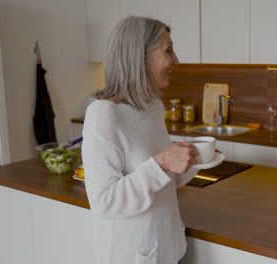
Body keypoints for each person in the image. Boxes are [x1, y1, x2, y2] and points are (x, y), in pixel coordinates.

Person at [81, 16, 199, 264]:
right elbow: (106, 202)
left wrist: (192, 159)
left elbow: (162, 181)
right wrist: (163, 162)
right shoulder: (103, 115)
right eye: (168, 50)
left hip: (169, 249)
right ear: (139, 57)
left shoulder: (152, 106)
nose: (176, 60)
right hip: (133, 257)